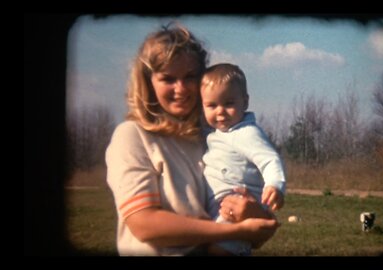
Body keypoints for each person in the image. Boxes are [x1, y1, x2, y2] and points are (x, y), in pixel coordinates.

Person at [105, 24, 278, 256]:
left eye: (190, 77)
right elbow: (145, 224)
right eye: (168, 78)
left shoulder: (212, 137)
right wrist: (234, 231)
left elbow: (260, 231)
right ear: (148, 82)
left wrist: (252, 214)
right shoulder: (132, 136)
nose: (181, 88)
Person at [200, 63, 287, 256]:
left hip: (235, 210)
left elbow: (270, 160)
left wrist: (275, 186)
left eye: (229, 103)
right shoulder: (218, 134)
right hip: (217, 212)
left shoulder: (246, 133)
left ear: (245, 102)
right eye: (212, 105)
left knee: (218, 250)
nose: (220, 111)